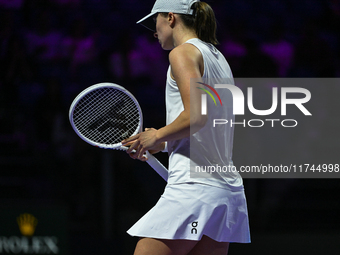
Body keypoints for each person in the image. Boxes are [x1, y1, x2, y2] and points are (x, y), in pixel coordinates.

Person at [122, 0, 250, 254]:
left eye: (155, 22)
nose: (154, 31)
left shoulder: (181, 53)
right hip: (226, 193)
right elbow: (210, 124)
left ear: (171, 17)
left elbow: (197, 116)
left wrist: (157, 134)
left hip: (194, 189)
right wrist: (164, 143)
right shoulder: (217, 57)